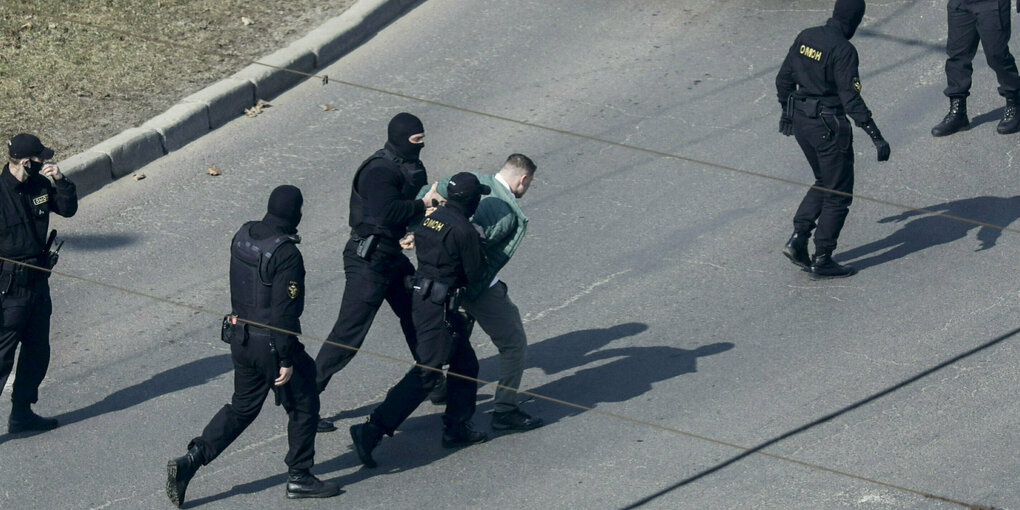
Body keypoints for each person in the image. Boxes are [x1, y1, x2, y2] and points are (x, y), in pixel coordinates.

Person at [166, 186, 338, 507]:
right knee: (304, 401)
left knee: (242, 407)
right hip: (271, 343)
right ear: (295, 214)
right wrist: (286, 356)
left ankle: (192, 458)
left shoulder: (244, 234)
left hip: (239, 337)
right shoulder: (287, 253)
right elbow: (285, 312)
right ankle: (300, 477)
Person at [349, 172, 491, 468]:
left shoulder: (433, 218)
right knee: (427, 373)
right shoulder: (464, 231)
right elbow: (476, 275)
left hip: (425, 297)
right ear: (473, 200)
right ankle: (372, 429)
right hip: (438, 305)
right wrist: (481, 245)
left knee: (465, 364)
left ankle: (456, 427)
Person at [314, 113, 444, 433]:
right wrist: (422, 206)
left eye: (423, 140)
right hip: (368, 260)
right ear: (400, 139)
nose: (421, 146)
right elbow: (387, 211)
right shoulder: (378, 170)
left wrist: (413, 229)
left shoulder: (412, 167)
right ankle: (303, 399)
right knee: (348, 335)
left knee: (418, 315)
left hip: (392, 255)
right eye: (416, 141)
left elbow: (408, 210)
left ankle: (431, 379)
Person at [417, 154, 543, 431]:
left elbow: (426, 193)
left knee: (452, 344)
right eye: (529, 184)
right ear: (523, 179)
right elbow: (477, 258)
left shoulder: (473, 181)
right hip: (476, 287)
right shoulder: (507, 211)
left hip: (439, 282)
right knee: (513, 344)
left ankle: (435, 387)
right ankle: (505, 409)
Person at [776, 0, 891, 279]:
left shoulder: (807, 36)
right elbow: (850, 99)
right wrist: (875, 135)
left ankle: (798, 237)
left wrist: (789, 112)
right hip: (828, 126)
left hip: (802, 122)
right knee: (839, 194)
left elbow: (783, 80)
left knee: (824, 181)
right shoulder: (844, 50)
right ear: (854, 21)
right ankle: (823, 257)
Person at [1, 133, 77, 434]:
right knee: (2, 358)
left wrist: (61, 179)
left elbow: (68, 208)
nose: (46, 162)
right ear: (24, 162)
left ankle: (22, 413)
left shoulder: (40, 186)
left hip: (37, 283)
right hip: (8, 289)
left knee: (37, 352)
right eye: (40, 159)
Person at [931, 0, 1020, 137]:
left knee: (997, 55)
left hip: (992, 4)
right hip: (960, 4)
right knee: (957, 57)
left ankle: (1014, 103)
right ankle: (958, 113)